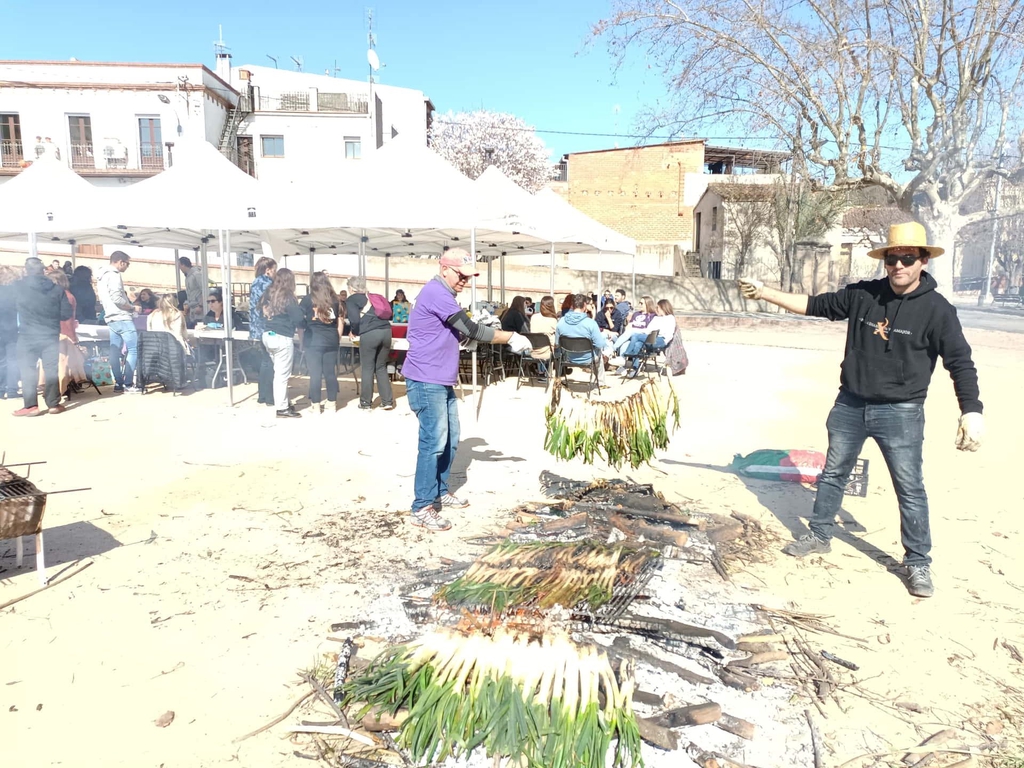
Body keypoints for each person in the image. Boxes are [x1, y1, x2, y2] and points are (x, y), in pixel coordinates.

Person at [738, 222, 984, 599]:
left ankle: (918, 562)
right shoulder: (864, 295)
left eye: (907, 259)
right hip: (850, 404)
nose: (898, 266)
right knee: (833, 473)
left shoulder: (938, 311)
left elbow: (960, 362)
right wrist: (765, 292)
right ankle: (819, 535)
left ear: (923, 261)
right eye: (892, 259)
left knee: (909, 487)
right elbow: (815, 305)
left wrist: (972, 411)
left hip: (901, 412)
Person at [402, 249, 530, 531]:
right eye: (461, 275)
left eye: (468, 277)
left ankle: (439, 491)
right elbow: (472, 329)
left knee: (450, 438)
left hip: (439, 378)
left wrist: (461, 338)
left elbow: (456, 330)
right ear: (444, 269)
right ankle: (422, 507)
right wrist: (509, 336)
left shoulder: (444, 294)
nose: (465, 281)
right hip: (426, 379)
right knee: (433, 443)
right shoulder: (436, 292)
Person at [12, 257, 72, 416]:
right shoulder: (57, 289)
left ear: (26, 270)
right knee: (51, 369)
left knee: (27, 370)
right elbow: (66, 314)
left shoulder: (17, 287)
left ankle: (31, 406)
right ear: (44, 270)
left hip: (27, 335)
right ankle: (53, 404)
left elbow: (7, 308)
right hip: (50, 334)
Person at [259, 267, 304, 419]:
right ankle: (282, 408)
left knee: (278, 372)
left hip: (268, 334)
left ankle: (283, 402)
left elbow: (260, 311)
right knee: (282, 375)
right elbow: (298, 318)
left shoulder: (269, 293)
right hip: (282, 336)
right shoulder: (288, 297)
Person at [346, 276, 394, 411]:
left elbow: (354, 320)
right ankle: (387, 401)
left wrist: (354, 332)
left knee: (367, 368)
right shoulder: (372, 297)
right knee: (381, 367)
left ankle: (365, 403)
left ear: (351, 288)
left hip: (370, 334)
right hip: (386, 331)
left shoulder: (352, 299)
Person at [300, 272, 343, 415]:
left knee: (315, 374)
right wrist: (337, 338)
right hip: (331, 339)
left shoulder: (307, 299)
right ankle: (332, 403)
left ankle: (316, 405)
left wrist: (301, 341)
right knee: (330, 373)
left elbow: (300, 322)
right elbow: (340, 321)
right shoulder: (335, 300)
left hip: (312, 340)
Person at [97, 251, 140, 393]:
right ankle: (128, 384)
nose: (127, 266)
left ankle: (119, 383)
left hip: (110, 317)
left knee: (114, 351)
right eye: (127, 264)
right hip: (122, 317)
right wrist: (132, 307)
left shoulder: (101, 276)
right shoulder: (114, 275)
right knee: (133, 349)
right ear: (121, 262)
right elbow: (117, 298)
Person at [555, 293, 610, 387]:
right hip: (588, 358)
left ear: (572, 306)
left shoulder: (561, 321)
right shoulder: (591, 323)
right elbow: (599, 344)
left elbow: (557, 343)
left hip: (568, 358)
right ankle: (600, 383)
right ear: (585, 305)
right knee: (600, 353)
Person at [616, 298, 676, 375]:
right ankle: (635, 368)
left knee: (635, 336)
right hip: (651, 337)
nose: (657, 309)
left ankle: (625, 356)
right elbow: (648, 330)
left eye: (658, 308)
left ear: (663, 308)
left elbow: (668, 333)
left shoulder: (670, 318)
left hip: (661, 340)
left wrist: (655, 331)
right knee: (637, 344)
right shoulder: (656, 318)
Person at [249, 257, 277, 407]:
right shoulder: (267, 284)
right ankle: (269, 396)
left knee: (265, 361)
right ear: (268, 270)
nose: (275, 273)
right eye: (274, 270)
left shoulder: (255, 283)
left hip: (257, 327)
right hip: (267, 327)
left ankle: (262, 395)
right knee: (269, 362)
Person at [0, 265, 20, 400]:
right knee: (13, 360)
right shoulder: (17, 291)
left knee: (1, 360)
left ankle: (1, 390)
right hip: (13, 329)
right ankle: (12, 390)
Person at [529, 295, 559, 377]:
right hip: (548, 351)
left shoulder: (534, 317)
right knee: (556, 344)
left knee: (541, 341)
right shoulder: (553, 320)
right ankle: (559, 371)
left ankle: (540, 371)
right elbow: (557, 334)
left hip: (533, 349)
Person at [178, 256, 204, 328]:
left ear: (183, 265)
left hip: (199, 308)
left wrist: (200, 306)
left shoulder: (197, 274)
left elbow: (204, 291)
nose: (179, 268)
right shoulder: (188, 277)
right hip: (191, 308)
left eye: (179, 266)